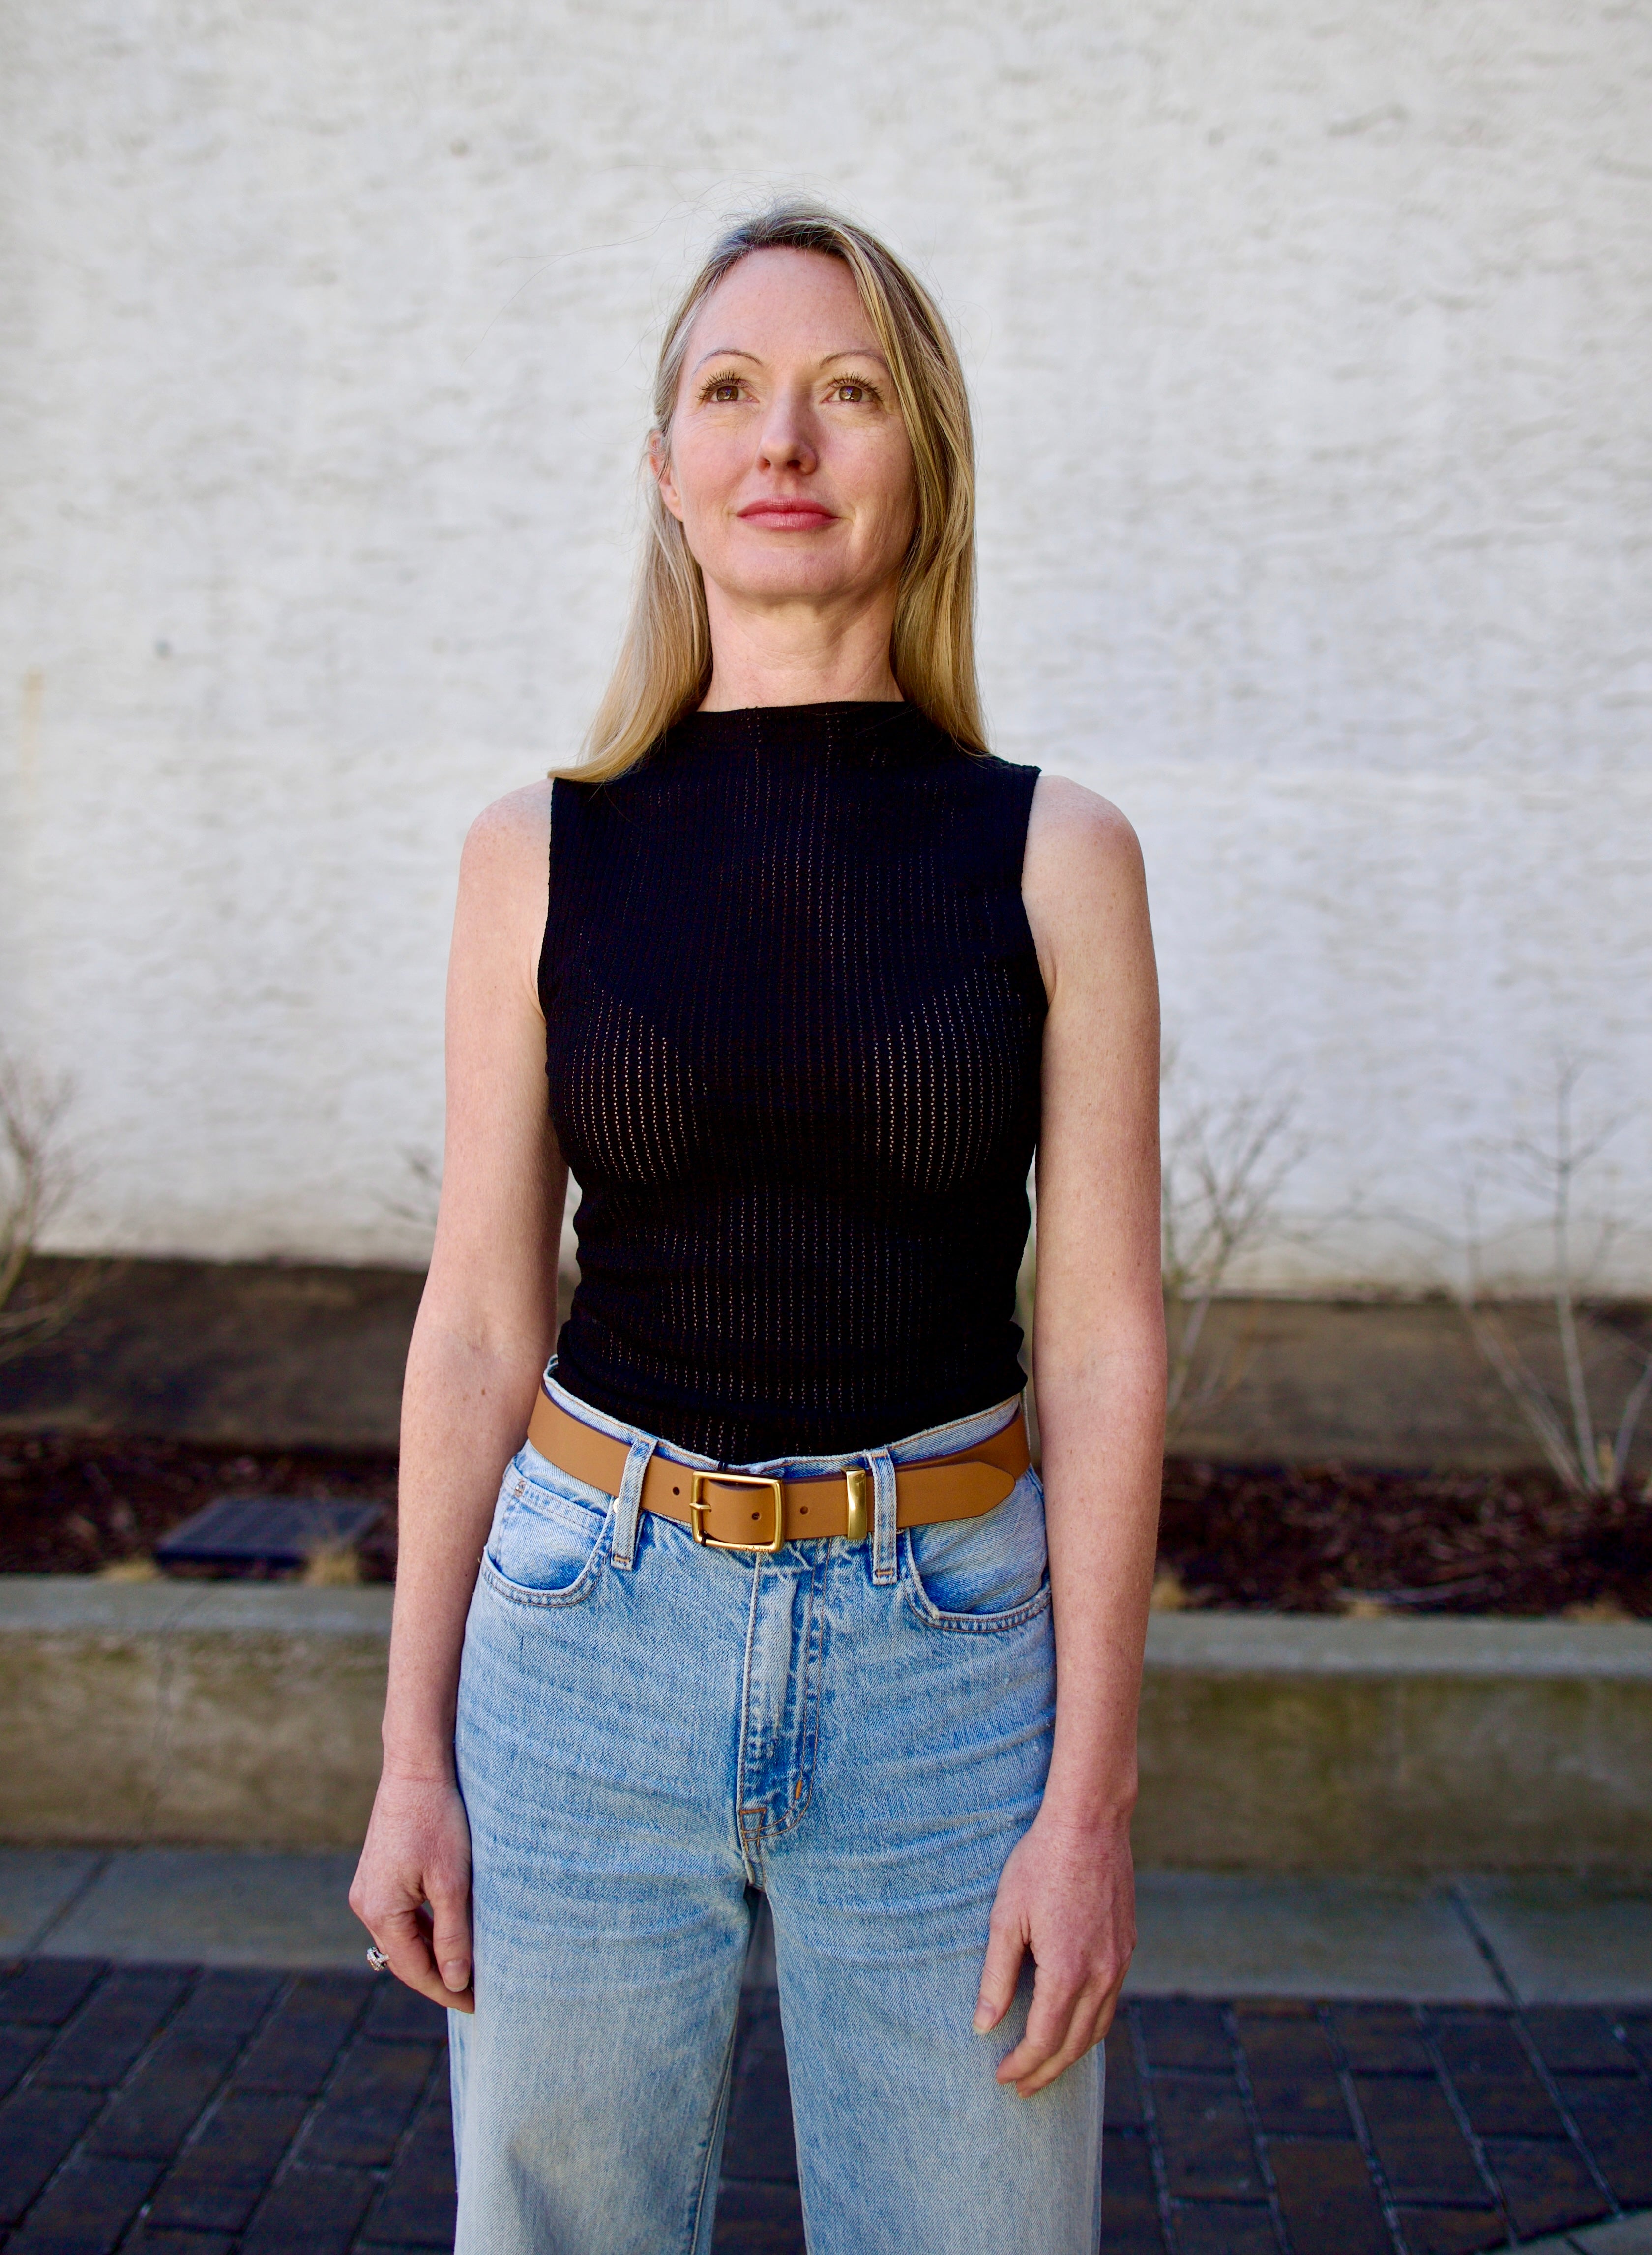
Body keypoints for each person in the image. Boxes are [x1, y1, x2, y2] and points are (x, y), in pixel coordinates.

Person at [350, 199, 1164, 2255]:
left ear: (925, 462)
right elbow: (472, 1318)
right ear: (667, 470)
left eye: (848, 390)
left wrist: (1092, 1806)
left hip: (950, 1658)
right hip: (585, 1639)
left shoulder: (1059, 855)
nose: (783, 439)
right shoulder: (534, 852)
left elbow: (1103, 1342)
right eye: (731, 391)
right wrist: (411, 1753)